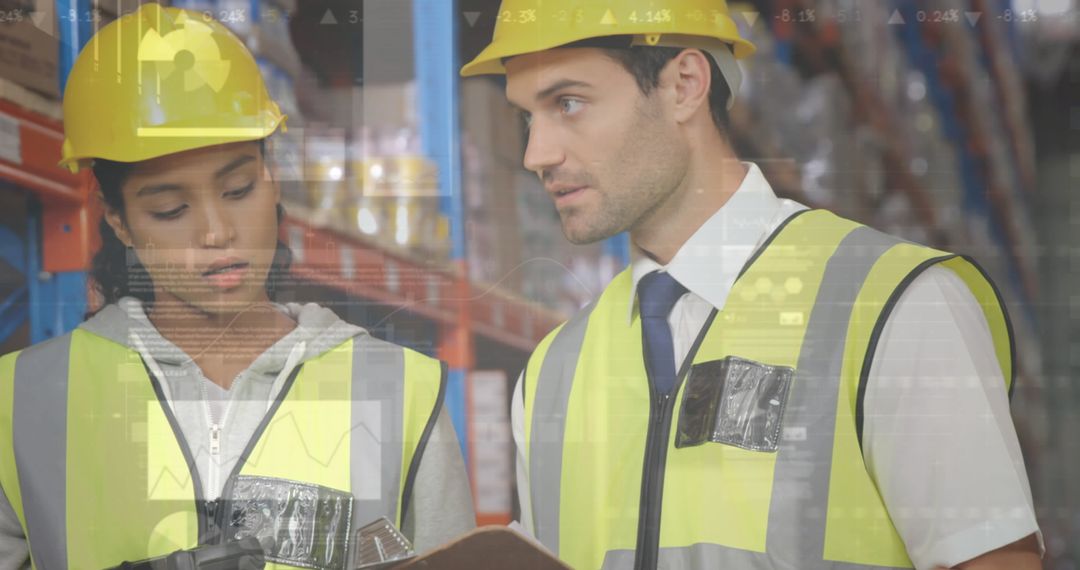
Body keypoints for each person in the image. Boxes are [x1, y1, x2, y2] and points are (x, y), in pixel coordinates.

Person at [461, 1, 1042, 569]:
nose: (536, 154)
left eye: (568, 103)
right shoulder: (551, 374)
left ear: (684, 84)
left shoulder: (893, 306)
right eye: (528, 117)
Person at [0, 5, 473, 568]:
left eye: (239, 189)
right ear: (118, 220)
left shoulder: (399, 389)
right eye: (170, 209)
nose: (217, 232)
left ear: (272, 179)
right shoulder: (23, 399)